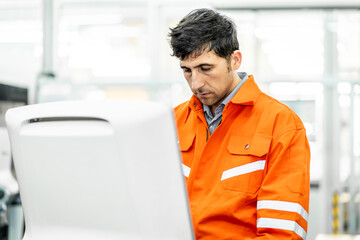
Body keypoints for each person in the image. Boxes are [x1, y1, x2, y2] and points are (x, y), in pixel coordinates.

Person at [168, 8, 310, 240]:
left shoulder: (281, 125)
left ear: (234, 60)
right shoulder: (173, 122)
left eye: (205, 69)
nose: (196, 84)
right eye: (187, 71)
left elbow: (281, 233)